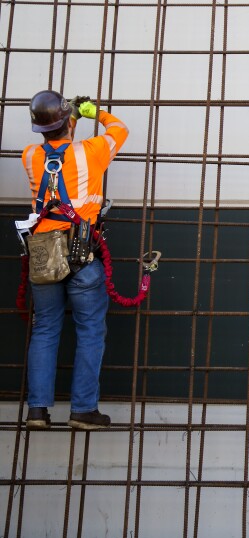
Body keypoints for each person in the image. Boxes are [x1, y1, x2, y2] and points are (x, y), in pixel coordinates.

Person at [22, 90, 129, 430]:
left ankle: (37, 411)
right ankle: (83, 410)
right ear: (70, 122)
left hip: (43, 253)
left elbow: (57, 150)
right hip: (83, 253)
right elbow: (119, 130)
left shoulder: (29, 156)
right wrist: (95, 113)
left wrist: (69, 120)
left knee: (45, 329)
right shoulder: (93, 151)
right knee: (90, 331)